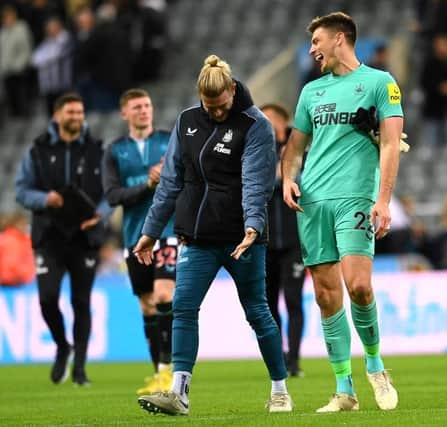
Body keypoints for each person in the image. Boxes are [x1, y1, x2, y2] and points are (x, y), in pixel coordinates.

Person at [134, 54, 292, 415]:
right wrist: (150, 232)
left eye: (221, 106)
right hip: (196, 237)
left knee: (258, 313)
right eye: (209, 106)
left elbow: (257, 182)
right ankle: (179, 394)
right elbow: (171, 181)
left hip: (242, 239)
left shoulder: (257, 125)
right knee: (183, 309)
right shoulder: (187, 121)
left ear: (232, 90)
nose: (217, 112)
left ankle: (280, 390)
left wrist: (254, 224)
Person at [281, 12, 401, 412]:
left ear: (339, 39)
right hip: (313, 201)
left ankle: (375, 366)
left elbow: (391, 144)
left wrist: (382, 200)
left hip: (355, 198)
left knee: (359, 285)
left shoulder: (381, 83)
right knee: (325, 294)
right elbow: (294, 147)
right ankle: (343, 388)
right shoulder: (310, 92)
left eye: (317, 41)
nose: (312, 49)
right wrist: (287, 179)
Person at [15, 92, 110, 386]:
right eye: (70, 113)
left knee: (81, 301)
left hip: (84, 236)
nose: (77, 117)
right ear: (57, 115)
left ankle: (80, 368)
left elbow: (110, 191)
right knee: (47, 298)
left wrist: (101, 214)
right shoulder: (38, 151)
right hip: (49, 236)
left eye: (80, 112)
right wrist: (46, 199)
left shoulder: (97, 149)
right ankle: (61, 344)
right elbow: (21, 191)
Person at [102, 88, 176, 394]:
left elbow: (185, 179)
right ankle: (158, 373)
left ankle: (171, 371)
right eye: (137, 107)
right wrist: (147, 184)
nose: (144, 111)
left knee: (162, 296)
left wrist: (167, 179)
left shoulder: (168, 141)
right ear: (124, 113)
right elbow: (112, 196)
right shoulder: (114, 151)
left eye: (147, 105)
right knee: (146, 305)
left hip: (167, 232)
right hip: (134, 237)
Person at [260, 103, 306, 377]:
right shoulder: (255, 150)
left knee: (293, 301)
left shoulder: (298, 149)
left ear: (281, 122)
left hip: (294, 240)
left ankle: (295, 360)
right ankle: (278, 358)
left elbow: (298, 180)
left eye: (268, 120)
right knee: (268, 304)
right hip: (264, 242)